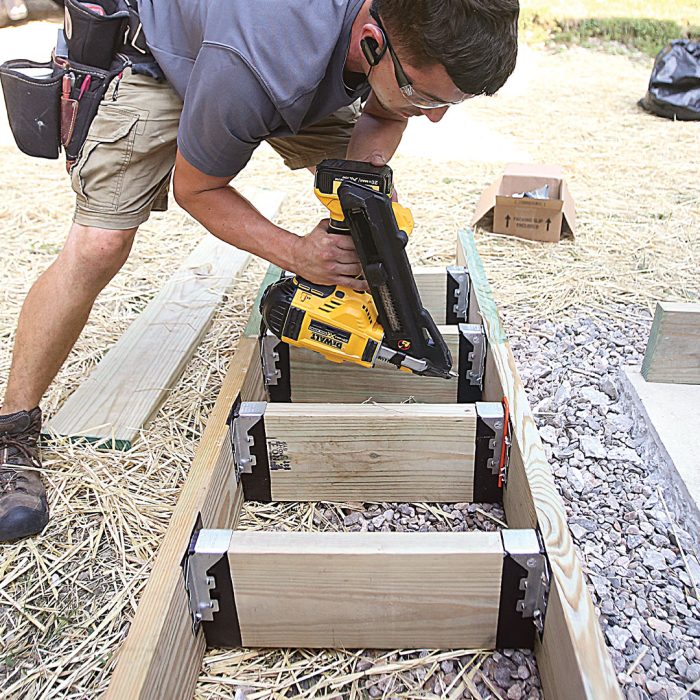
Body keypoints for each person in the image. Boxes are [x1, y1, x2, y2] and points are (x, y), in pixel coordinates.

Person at [0, 0, 519, 541]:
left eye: (446, 104)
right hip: (155, 56)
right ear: (370, 39)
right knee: (100, 245)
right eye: (425, 96)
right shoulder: (254, 65)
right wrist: (298, 254)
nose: (433, 116)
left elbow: (386, 109)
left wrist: (360, 198)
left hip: (267, 51)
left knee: (372, 196)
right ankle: (11, 428)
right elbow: (196, 190)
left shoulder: (396, 32)